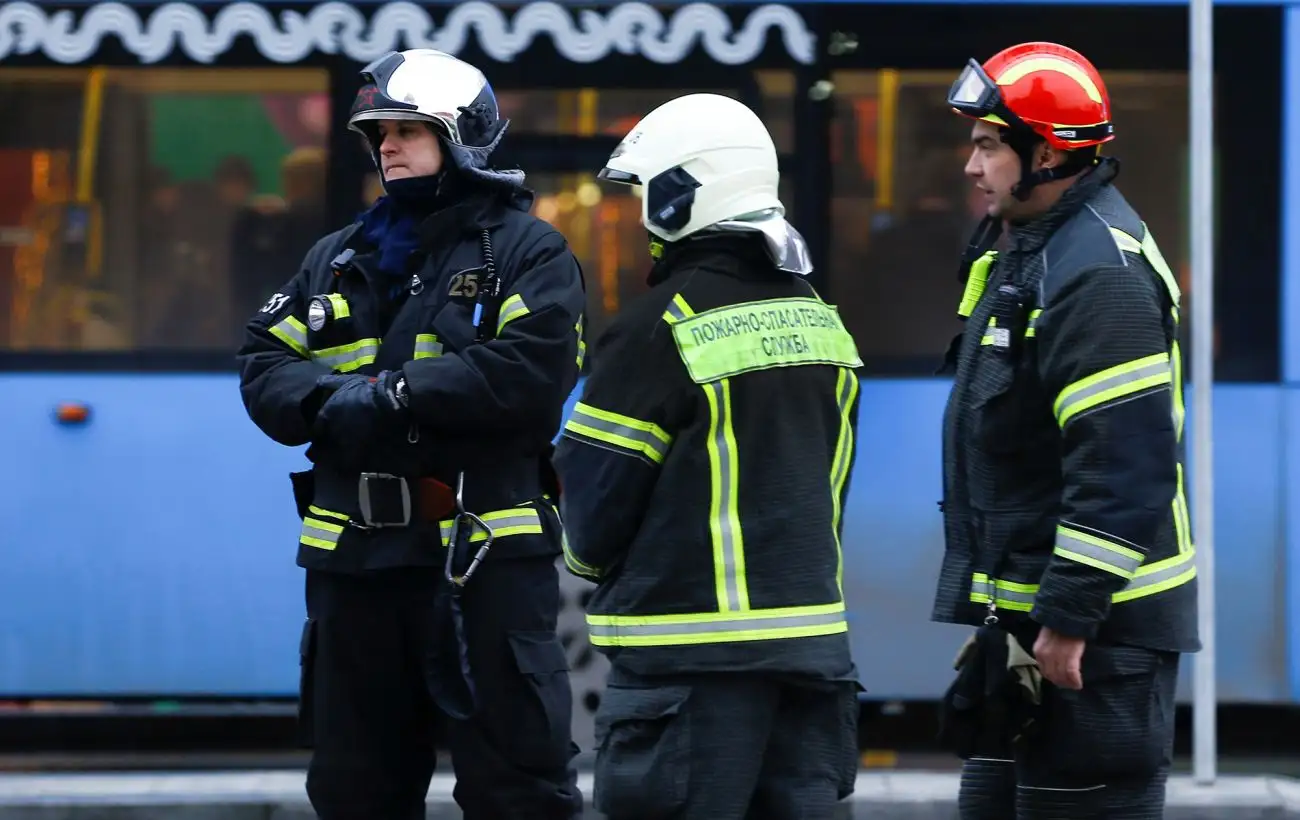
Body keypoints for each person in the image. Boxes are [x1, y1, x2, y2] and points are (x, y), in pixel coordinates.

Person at [236, 48, 585, 820]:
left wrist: (390, 396)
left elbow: (530, 376)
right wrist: (340, 401)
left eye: (407, 129)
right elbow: (264, 366)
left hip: (483, 566)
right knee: (356, 792)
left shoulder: (529, 252)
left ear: (463, 135)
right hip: (354, 568)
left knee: (516, 789)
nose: (386, 145)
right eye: (378, 133)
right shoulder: (336, 258)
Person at [553, 92, 864, 820]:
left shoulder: (657, 329)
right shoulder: (823, 322)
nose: (638, 216)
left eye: (647, 192)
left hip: (686, 676)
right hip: (815, 666)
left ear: (682, 193)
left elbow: (590, 522)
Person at [931, 41, 1199, 820]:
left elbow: (1126, 467)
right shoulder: (1037, 250)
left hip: (1093, 639)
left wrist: (1070, 616)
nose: (971, 166)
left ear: (1046, 151)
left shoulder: (1096, 274)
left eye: (987, 145)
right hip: (1028, 622)